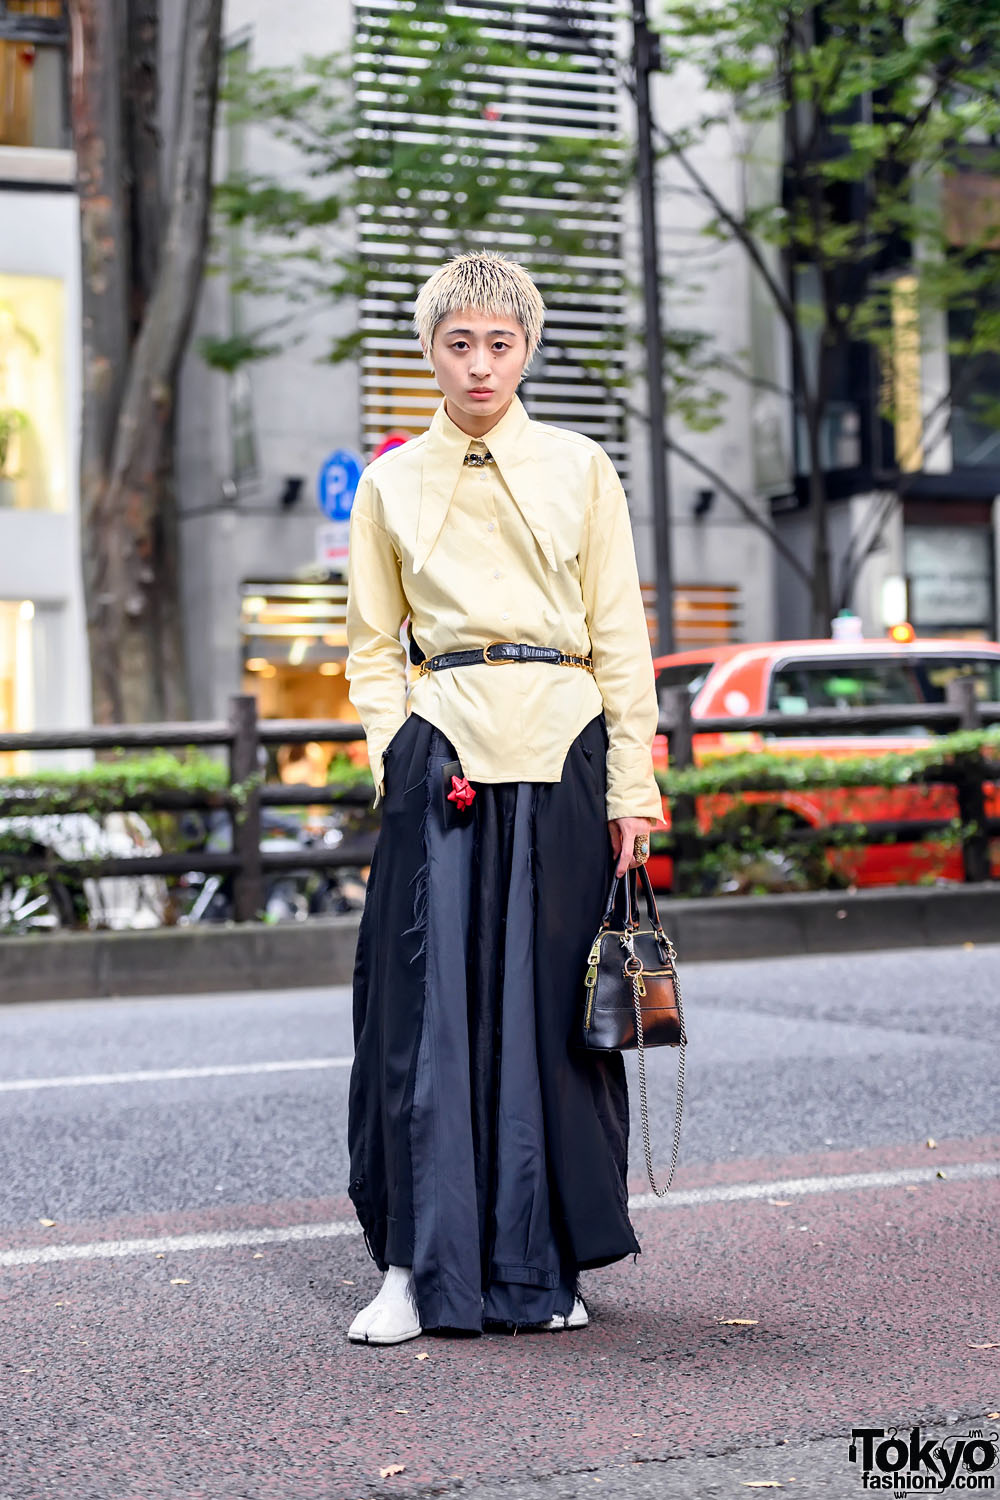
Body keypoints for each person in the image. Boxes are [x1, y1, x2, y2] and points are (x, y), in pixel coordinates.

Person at [344, 250, 663, 1345]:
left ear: (525, 349)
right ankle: (407, 1264)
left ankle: (543, 1262)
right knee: (418, 1019)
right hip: (443, 757)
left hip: (564, 744)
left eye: (500, 341)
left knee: (550, 1021)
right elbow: (368, 647)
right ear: (429, 351)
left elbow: (621, 642)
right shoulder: (389, 480)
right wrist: (400, 750)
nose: (479, 363)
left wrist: (634, 788)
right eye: (457, 341)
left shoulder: (581, 467)